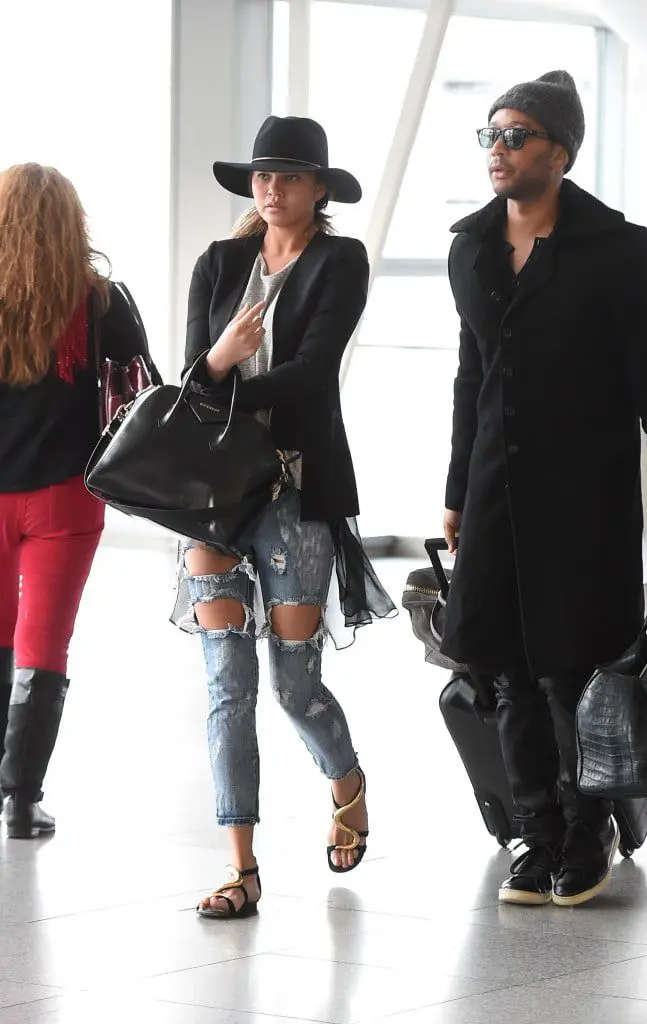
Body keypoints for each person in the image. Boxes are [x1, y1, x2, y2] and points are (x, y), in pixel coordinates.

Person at [441, 71, 647, 907]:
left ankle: (587, 827)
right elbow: (469, 378)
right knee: (505, 671)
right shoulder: (471, 248)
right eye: (489, 134)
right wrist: (454, 490)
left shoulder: (619, 250)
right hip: (493, 492)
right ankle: (535, 830)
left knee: (573, 670)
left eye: (516, 135)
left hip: (582, 495)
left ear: (560, 152)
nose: (498, 149)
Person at [176, 116, 395, 918]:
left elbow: (311, 375)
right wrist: (217, 362)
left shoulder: (340, 260)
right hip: (214, 499)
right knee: (225, 687)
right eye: (262, 177)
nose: (271, 189)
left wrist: (220, 376)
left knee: (293, 687)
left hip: (297, 491)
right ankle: (241, 869)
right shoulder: (220, 262)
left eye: (289, 177)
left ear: (318, 189)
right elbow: (188, 373)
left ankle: (345, 779)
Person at [0, 163, 158, 838]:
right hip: (66, 498)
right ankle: (22, 799)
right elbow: (148, 390)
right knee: (43, 647)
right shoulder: (102, 301)